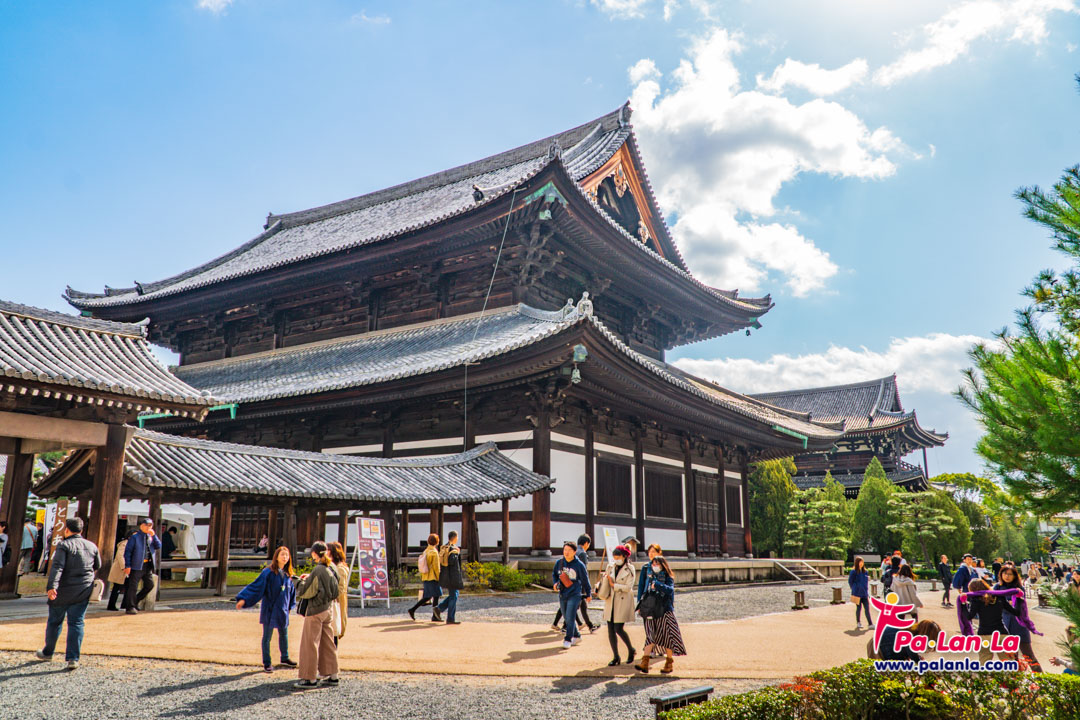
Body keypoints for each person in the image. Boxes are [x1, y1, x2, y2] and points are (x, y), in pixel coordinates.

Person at [34, 518, 100, 670]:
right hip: (83, 589)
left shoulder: (64, 545)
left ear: (67, 530)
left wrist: (52, 586)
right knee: (76, 622)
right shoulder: (91, 546)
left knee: (55, 622)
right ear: (81, 530)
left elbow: (57, 567)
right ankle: (73, 658)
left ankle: (48, 652)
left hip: (63, 590)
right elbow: (98, 565)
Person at [236, 546, 298, 673]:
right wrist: (243, 599)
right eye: (282, 555)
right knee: (267, 637)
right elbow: (256, 586)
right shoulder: (268, 573)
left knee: (284, 634)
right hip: (270, 608)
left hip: (282, 610)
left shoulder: (288, 575)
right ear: (276, 557)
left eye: (287, 555)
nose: (285, 557)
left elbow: (291, 593)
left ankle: (285, 657)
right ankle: (267, 662)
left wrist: (290, 606)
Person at [293, 541, 340, 690]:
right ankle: (333, 675)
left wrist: (296, 581)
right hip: (328, 608)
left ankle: (309, 678)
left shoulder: (318, 569)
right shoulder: (332, 567)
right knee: (328, 642)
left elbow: (306, 590)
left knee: (310, 643)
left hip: (316, 609)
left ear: (314, 553)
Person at [635, 554, 685, 674]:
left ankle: (669, 662)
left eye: (657, 564)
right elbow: (642, 589)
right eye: (653, 564)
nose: (655, 566)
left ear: (663, 565)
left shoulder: (668, 577)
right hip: (650, 609)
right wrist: (639, 605)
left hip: (664, 610)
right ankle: (645, 662)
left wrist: (657, 585)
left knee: (667, 636)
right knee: (650, 634)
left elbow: (670, 590)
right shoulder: (649, 575)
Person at [995, 564, 1043, 672]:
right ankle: (1017, 681)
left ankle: (1041, 678)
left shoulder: (1018, 588)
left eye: (1010, 574)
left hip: (1019, 625)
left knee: (1028, 654)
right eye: (1005, 573)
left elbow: (1018, 606)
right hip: (1004, 625)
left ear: (1014, 576)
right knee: (1011, 656)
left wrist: (1003, 603)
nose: (1007, 576)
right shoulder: (997, 587)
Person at [959, 578, 1020, 664]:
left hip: (984, 634)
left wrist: (963, 604)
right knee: (1009, 663)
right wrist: (1019, 599)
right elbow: (1015, 612)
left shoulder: (976, 600)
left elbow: (969, 616)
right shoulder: (999, 597)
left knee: (984, 664)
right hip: (1001, 633)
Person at [551, 534, 597, 633]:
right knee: (572, 607)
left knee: (574, 606)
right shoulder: (582, 554)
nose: (567, 552)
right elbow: (583, 573)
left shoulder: (574, 554)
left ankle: (585, 625)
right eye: (565, 550)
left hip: (567, 587)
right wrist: (587, 592)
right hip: (575, 586)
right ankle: (567, 627)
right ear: (586, 543)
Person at [599, 544, 636, 666]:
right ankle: (616, 656)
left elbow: (628, 587)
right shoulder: (610, 566)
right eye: (614, 556)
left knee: (618, 628)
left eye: (618, 556)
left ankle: (631, 649)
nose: (616, 559)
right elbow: (606, 581)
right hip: (611, 600)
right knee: (610, 628)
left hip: (622, 600)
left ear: (624, 556)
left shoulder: (630, 569)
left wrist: (614, 585)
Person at [552, 540, 591, 649]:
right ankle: (577, 635)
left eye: (569, 550)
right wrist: (555, 583)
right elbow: (554, 574)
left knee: (571, 615)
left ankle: (568, 639)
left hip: (575, 594)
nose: (566, 552)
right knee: (566, 616)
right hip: (562, 593)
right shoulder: (559, 562)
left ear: (574, 552)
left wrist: (588, 593)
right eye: (565, 550)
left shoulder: (579, 565)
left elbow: (585, 580)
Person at [123, 517, 161, 614]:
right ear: (141, 526)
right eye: (146, 525)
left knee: (150, 584)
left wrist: (154, 536)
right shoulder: (135, 537)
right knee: (133, 586)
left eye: (150, 525)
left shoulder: (150, 537)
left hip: (147, 564)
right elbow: (128, 552)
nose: (148, 527)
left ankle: (135, 601)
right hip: (136, 564)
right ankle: (130, 607)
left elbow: (158, 546)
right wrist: (128, 565)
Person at [408, 534, 443, 621]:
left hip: (425, 576)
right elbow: (436, 567)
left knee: (429, 596)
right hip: (433, 577)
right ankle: (434, 616)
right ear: (437, 542)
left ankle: (413, 610)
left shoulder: (426, 551)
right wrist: (439, 577)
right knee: (436, 595)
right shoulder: (434, 552)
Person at [868, 620, 941, 662]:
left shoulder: (912, 630)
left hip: (881, 642)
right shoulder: (910, 636)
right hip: (878, 646)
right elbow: (913, 656)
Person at [106, 529, 136, 611]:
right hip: (120, 569)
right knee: (117, 588)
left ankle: (125, 604)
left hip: (128, 568)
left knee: (128, 587)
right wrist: (124, 567)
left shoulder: (132, 544)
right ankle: (111, 605)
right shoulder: (124, 543)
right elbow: (120, 556)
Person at [437, 530, 464, 624]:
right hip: (453, 576)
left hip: (445, 575)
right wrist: (458, 553)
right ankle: (450, 617)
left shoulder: (444, 547)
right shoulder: (453, 550)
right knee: (454, 596)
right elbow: (454, 564)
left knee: (454, 595)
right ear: (455, 538)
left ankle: (439, 608)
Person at [327, 541, 349, 645]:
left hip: (337, 601)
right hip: (332, 600)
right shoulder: (332, 566)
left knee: (335, 628)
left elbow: (341, 588)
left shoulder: (340, 568)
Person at [848, 556, 872, 630]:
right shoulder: (853, 571)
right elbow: (850, 581)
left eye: (862, 562)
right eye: (860, 562)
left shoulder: (865, 571)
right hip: (857, 593)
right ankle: (858, 622)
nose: (861, 563)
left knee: (867, 608)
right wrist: (855, 588)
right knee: (859, 608)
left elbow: (865, 583)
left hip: (864, 593)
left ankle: (870, 623)